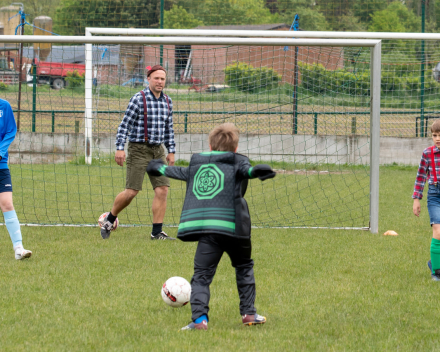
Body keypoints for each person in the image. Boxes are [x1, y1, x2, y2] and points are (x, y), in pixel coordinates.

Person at [147, 123, 276, 330]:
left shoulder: (199, 165)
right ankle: (249, 313)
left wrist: (159, 168)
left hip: (210, 228)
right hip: (238, 228)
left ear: (209, 146)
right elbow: (246, 171)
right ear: (236, 149)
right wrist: (255, 171)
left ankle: (199, 320)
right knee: (243, 268)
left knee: (201, 276)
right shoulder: (239, 161)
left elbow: (180, 172)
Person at [100, 65, 176, 240]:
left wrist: (171, 151)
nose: (159, 82)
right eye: (156, 78)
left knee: (162, 189)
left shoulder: (167, 101)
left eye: (162, 79)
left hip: (158, 151)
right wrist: (120, 148)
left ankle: (157, 233)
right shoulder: (138, 99)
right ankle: (110, 219)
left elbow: (168, 128)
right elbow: (124, 125)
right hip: (138, 149)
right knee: (131, 192)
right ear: (148, 79)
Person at [0, 99, 32, 260]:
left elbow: (10, 131)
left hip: (1, 165)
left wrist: (0, 151)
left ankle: (18, 249)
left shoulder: (4, 106)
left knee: (7, 203)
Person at [413, 119, 440, 280]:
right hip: (434, 196)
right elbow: (421, 177)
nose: (438, 138)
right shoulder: (427, 153)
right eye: (434, 135)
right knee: (437, 231)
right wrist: (416, 199)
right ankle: (436, 272)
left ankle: (433, 261)